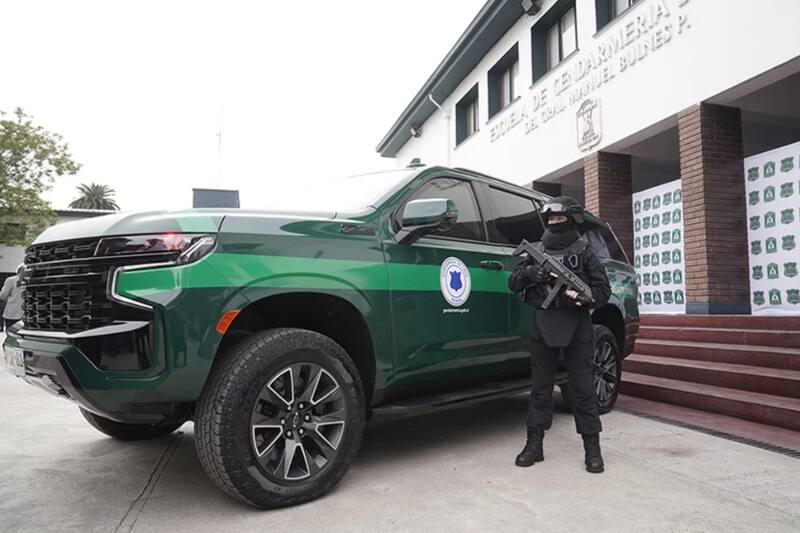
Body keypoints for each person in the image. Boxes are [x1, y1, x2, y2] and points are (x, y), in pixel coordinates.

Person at [508, 197, 611, 473]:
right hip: (543, 324)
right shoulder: (537, 250)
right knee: (540, 389)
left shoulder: (585, 250)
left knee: (582, 389)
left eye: (559, 219)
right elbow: (513, 282)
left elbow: (602, 292)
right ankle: (534, 444)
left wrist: (582, 299)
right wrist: (533, 273)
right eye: (550, 219)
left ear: (571, 219)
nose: (554, 223)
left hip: (577, 327)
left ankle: (592, 448)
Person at [1, 264, 25, 332]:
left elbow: (3, 295)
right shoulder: (31, 281)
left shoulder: (11, 280)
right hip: (25, 314)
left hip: (12, 313)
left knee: (10, 333)